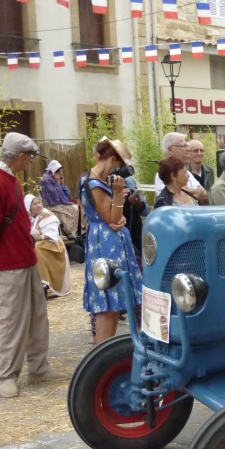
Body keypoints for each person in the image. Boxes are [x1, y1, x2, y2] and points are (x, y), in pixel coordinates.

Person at [0, 132, 65, 398]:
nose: (30, 162)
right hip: (8, 263)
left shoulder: (9, 179)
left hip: (25, 258)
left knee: (38, 317)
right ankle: (7, 374)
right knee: (12, 321)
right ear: (19, 156)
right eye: (29, 157)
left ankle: (38, 367)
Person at [80, 137, 143, 344]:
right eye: (120, 165)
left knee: (114, 303)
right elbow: (113, 219)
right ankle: (102, 353)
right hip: (106, 246)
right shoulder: (94, 184)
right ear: (113, 159)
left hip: (106, 241)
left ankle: (105, 350)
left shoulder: (90, 180)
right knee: (108, 302)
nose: (121, 171)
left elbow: (116, 219)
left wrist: (118, 211)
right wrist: (117, 196)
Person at [24, 194, 71, 297]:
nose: (38, 205)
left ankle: (44, 281)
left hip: (53, 245)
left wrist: (39, 237)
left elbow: (53, 235)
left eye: (39, 202)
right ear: (28, 207)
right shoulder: (29, 218)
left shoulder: (47, 215)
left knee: (37, 248)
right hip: (39, 243)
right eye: (35, 204)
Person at [154, 133, 209, 205]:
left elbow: (205, 196)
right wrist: (197, 193)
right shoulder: (163, 176)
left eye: (187, 145)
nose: (188, 149)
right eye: (184, 146)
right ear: (170, 149)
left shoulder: (188, 173)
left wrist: (198, 193)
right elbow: (173, 200)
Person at [39, 160, 79, 238]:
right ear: (54, 171)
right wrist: (57, 183)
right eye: (59, 172)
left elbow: (67, 195)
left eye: (61, 172)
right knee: (70, 212)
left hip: (59, 203)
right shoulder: (45, 180)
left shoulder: (55, 178)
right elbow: (54, 198)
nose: (61, 174)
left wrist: (62, 183)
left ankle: (71, 231)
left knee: (76, 208)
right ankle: (68, 231)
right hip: (50, 204)